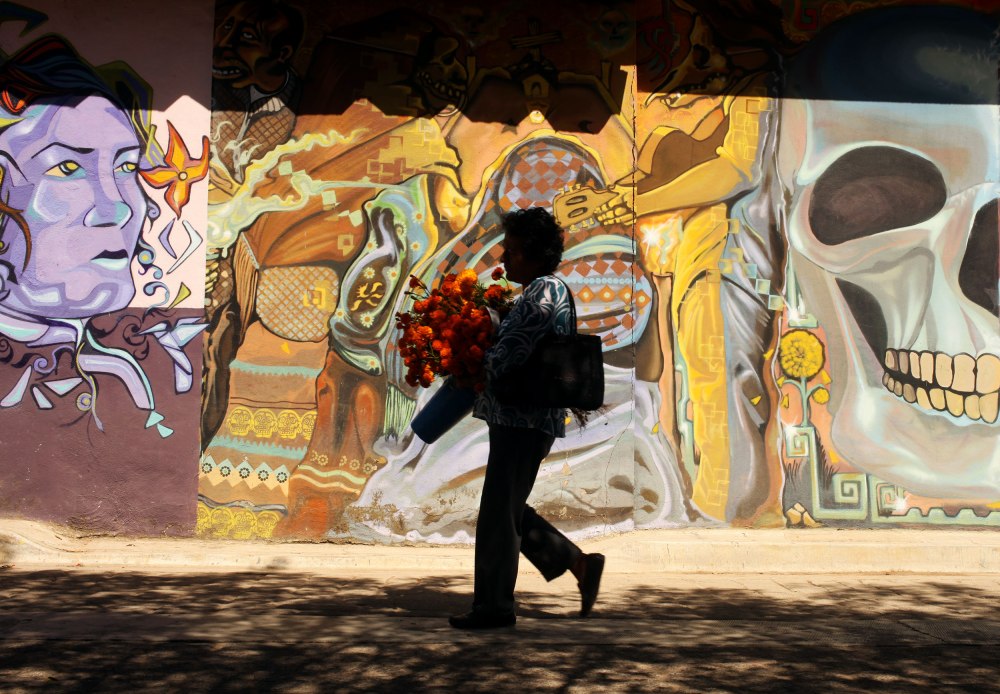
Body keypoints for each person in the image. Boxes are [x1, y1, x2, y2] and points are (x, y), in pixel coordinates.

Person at [449, 206, 605, 630]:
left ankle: (494, 607)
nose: (504, 259)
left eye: (512, 251)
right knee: (509, 509)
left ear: (534, 253)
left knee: (498, 513)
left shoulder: (542, 293)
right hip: (525, 421)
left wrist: (470, 356)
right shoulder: (540, 291)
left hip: (522, 422)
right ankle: (579, 565)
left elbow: (508, 356)